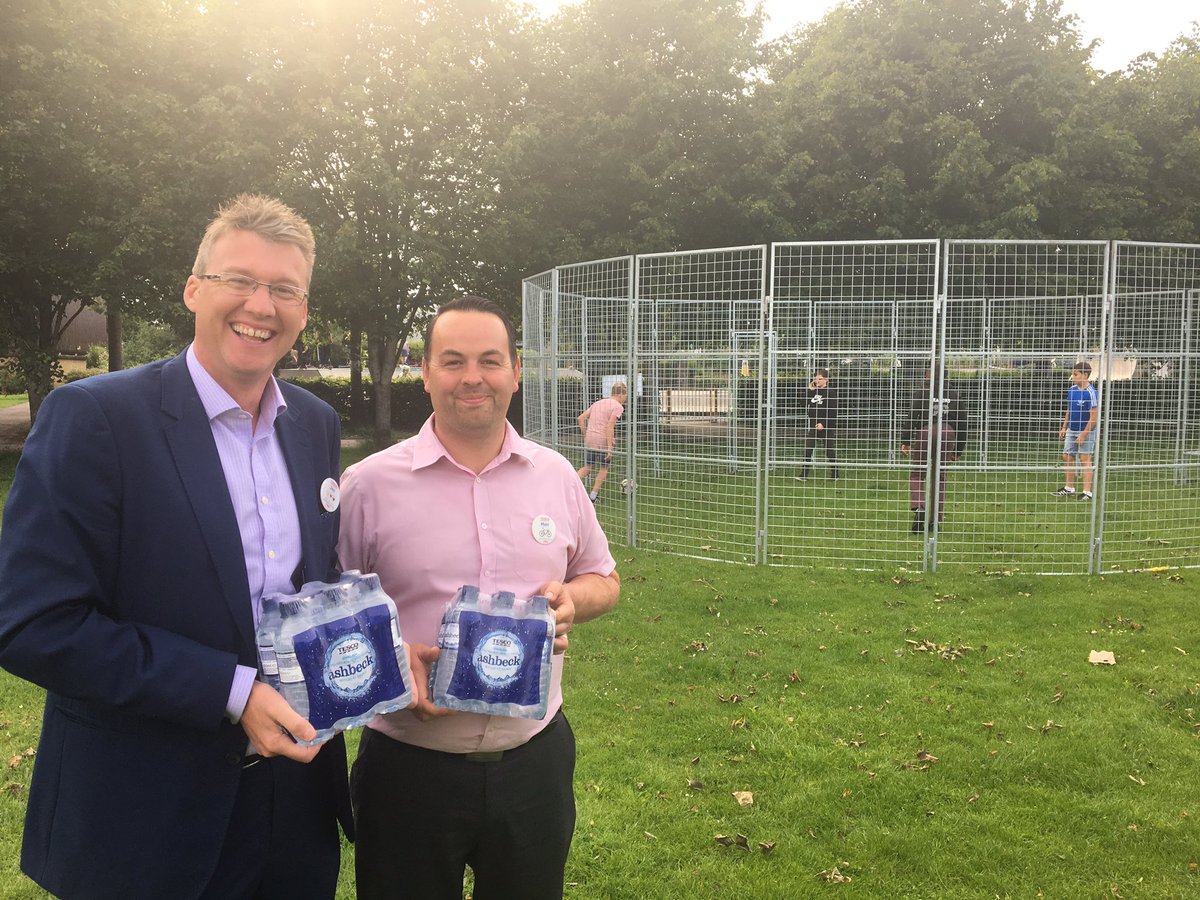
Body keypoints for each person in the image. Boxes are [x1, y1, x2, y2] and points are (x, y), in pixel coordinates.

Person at [0, 194, 352, 899]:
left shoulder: (313, 423)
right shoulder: (98, 418)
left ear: (304, 311)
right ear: (194, 289)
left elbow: (303, 582)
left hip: (293, 807)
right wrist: (231, 691)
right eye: (238, 281)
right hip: (144, 820)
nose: (261, 304)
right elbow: (32, 623)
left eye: (284, 289)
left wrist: (368, 642)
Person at [338, 296, 621, 900]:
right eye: (454, 360)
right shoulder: (368, 486)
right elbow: (333, 620)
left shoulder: (555, 477)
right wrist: (390, 662)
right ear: (426, 372)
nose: (473, 377)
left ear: (516, 371)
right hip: (408, 769)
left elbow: (603, 578)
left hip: (534, 764)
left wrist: (571, 600)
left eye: (491, 361)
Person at [900, 367, 967, 533]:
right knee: (940, 477)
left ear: (929, 376)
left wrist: (906, 441)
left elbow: (912, 416)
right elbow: (963, 423)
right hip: (948, 433)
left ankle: (919, 506)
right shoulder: (955, 395)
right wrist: (958, 450)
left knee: (917, 473)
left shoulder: (922, 392)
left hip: (926, 432)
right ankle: (934, 521)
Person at [576, 381, 627, 501]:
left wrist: (586, 434)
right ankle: (592, 497)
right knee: (604, 468)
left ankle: (570, 483)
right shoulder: (618, 407)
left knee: (588, 467)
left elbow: (581, 418)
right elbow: (609, 426)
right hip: (602, 440)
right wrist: (609, 448)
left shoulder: (598, 403)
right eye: (625, 397)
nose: (625, 399)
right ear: (620, 395)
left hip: (590, 439)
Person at [1055, 361, 1099, 500]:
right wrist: (1064, 427)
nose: (1073, 376)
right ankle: (1069, 487)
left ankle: (1087, 492)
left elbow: (1094, 417)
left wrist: (1084, 434)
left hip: (1086, 431)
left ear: (1085, 375)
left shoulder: (1091, 393)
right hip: (1071, 429)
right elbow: (1069, 410)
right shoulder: (1072, 390)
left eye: (1075, 374)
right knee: (1067, 456)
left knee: (1085, 458)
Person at [799, 367, 838, 480]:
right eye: (816, 379)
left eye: (820, 379)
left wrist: (824, 424)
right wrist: (809, 390)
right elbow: (803, 403)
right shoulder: (813, 392)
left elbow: (833, 412)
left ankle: (835, 474)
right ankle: (804, 475)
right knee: (808, 450)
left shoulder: (830, 393)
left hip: (826, 427)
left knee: (829, 450)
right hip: (813, 425)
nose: (817, 381)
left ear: (826, 380)